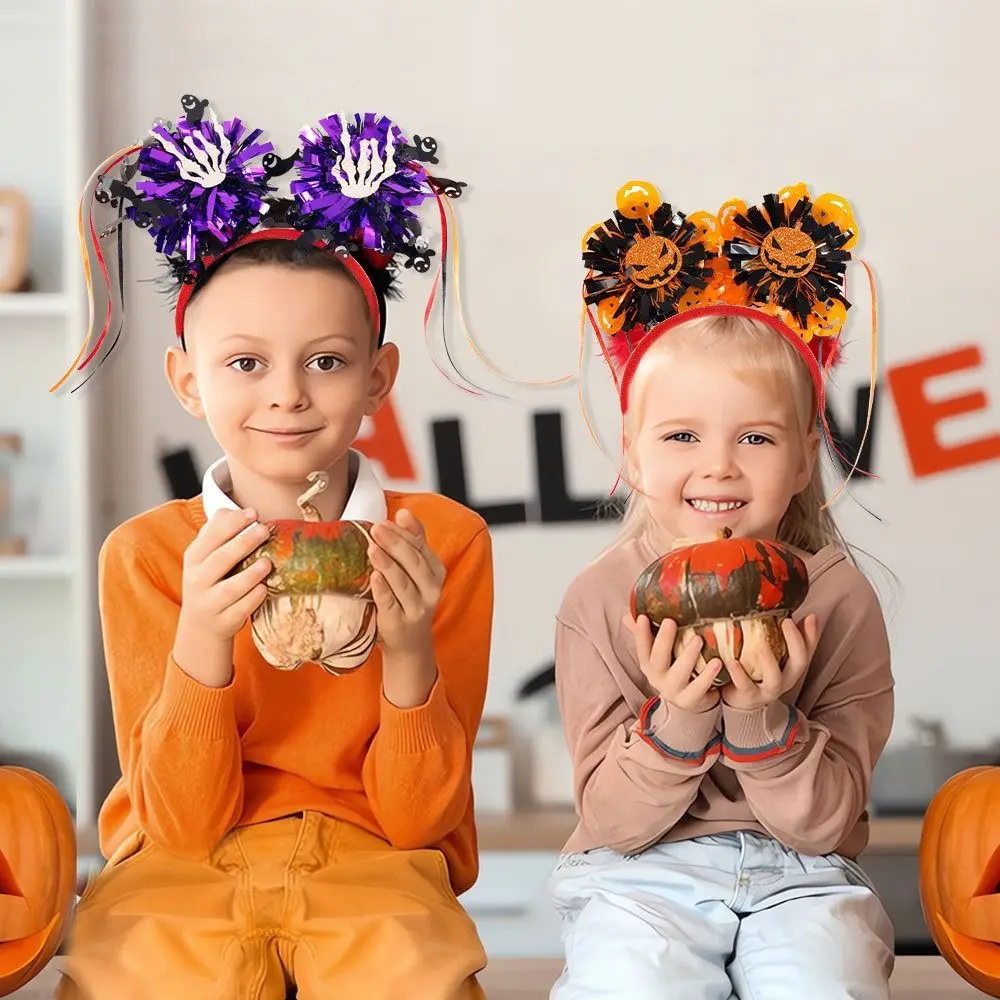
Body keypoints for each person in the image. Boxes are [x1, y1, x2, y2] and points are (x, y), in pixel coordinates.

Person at [55, 97, 493, 1000]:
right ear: (188, 381)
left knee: (423, 980)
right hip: (182, 872)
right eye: (245, 363)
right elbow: (178, 825)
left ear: (378, 378)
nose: (287, 395)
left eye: (326, 361)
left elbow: (419, 823)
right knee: (122, 979)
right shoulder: (147, 555)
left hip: (373, 864)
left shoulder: (440, 540)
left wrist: (406, 647)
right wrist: (202, 642)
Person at [548, 181, 895, 999]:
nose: (719, 465)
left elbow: (829, 824)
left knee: (825, 986)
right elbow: (613, 823)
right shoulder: (599, 599)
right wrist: (682, 713)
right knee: (629, 985)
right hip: (640, 878)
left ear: (807, 454)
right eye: (680, 436)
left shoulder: (838, 598)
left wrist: (760, 715)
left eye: (756, 436)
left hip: (803, 878)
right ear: (632, 453)